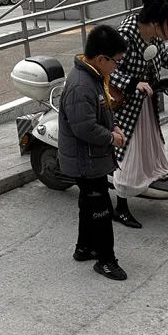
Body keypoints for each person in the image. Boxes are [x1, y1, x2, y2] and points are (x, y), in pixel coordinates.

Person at [109, 0, 168, 229]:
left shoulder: (154, 35)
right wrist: (133, 83)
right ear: (155, 22)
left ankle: (148, 176)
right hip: (127, 104)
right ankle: (121, 206)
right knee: (130, 149)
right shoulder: (127, 34)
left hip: (145, 101)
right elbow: (110, 68)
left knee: (149, 143)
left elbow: (163, 56)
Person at [58, 24, 129, 281]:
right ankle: (106, 260)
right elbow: (84, 127)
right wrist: (112, 138)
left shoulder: (93, 77)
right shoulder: (82, 85)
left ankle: (84, 247)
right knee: (100, 208)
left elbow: (101, 111)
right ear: (101, 59)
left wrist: (115, 126)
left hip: (89, 158)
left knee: (89, 203)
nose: (117, 67)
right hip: (85, 160)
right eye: (116, 62)